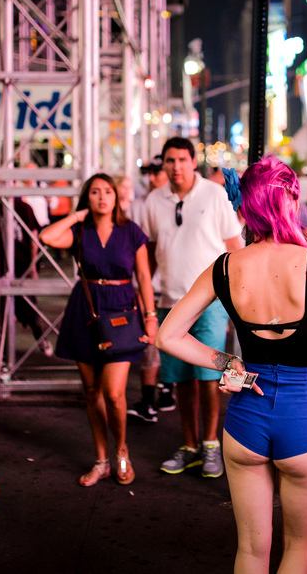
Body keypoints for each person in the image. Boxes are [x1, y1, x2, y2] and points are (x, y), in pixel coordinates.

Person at [156, 156, 307, 573]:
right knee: (298, 551)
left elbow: (167, 335)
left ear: (247, 206)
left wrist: (230, 363)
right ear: (288, 203)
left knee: (250, 552)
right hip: (305, 419)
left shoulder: (225, 266)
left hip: (247, 418)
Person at [40, 174, 158, 486]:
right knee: (92, 393)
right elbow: (48, 236)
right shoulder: (81, 229)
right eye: (95, 192)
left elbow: (144, 278)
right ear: (87, 197)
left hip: (120, 310)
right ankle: (101, 459)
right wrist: (77, 215)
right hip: (86, 310)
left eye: (108, 192)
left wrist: (151, 316)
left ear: (117, 197)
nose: (102, 197)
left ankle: (121, 450)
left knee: (115, 393)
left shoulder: (131, 231)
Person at [141, 137, 242, 478]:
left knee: (209, 375)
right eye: (170, 160)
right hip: (170, 301)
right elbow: (150, 252)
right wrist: (147, 303)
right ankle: (189, 444)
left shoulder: (214, 195)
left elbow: (233, 249)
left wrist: (236, 301)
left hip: (211, 303)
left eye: (182, 159)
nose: (176, 166)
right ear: (164, 163)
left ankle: (211, 443)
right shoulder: (154, 200)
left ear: (193, 161)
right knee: (181, 379)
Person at [128, 156, 173, 423]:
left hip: (175, 288)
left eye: (158, 171)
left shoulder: (171, 203)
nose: (154, 177)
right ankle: (150, 399)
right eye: (151, 172)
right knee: (151, 345)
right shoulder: (145, 203)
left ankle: (165, 391)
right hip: (153, 288)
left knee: (173, 345)